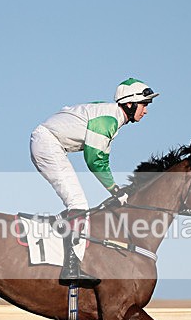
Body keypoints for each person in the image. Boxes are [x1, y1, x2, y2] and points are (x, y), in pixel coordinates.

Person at [29, 78, 159, 286]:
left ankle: (63, 238)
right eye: (144, 104)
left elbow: (101, 158)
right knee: (78, 203)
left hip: (49, 143)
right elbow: (95, 160)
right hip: (47, 143)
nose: (146, 110)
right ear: (130, 104)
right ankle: (71, 267)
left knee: (77, 202)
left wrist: (114, 189)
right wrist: (114, 189)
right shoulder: (109, 120)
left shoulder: (111, 116)